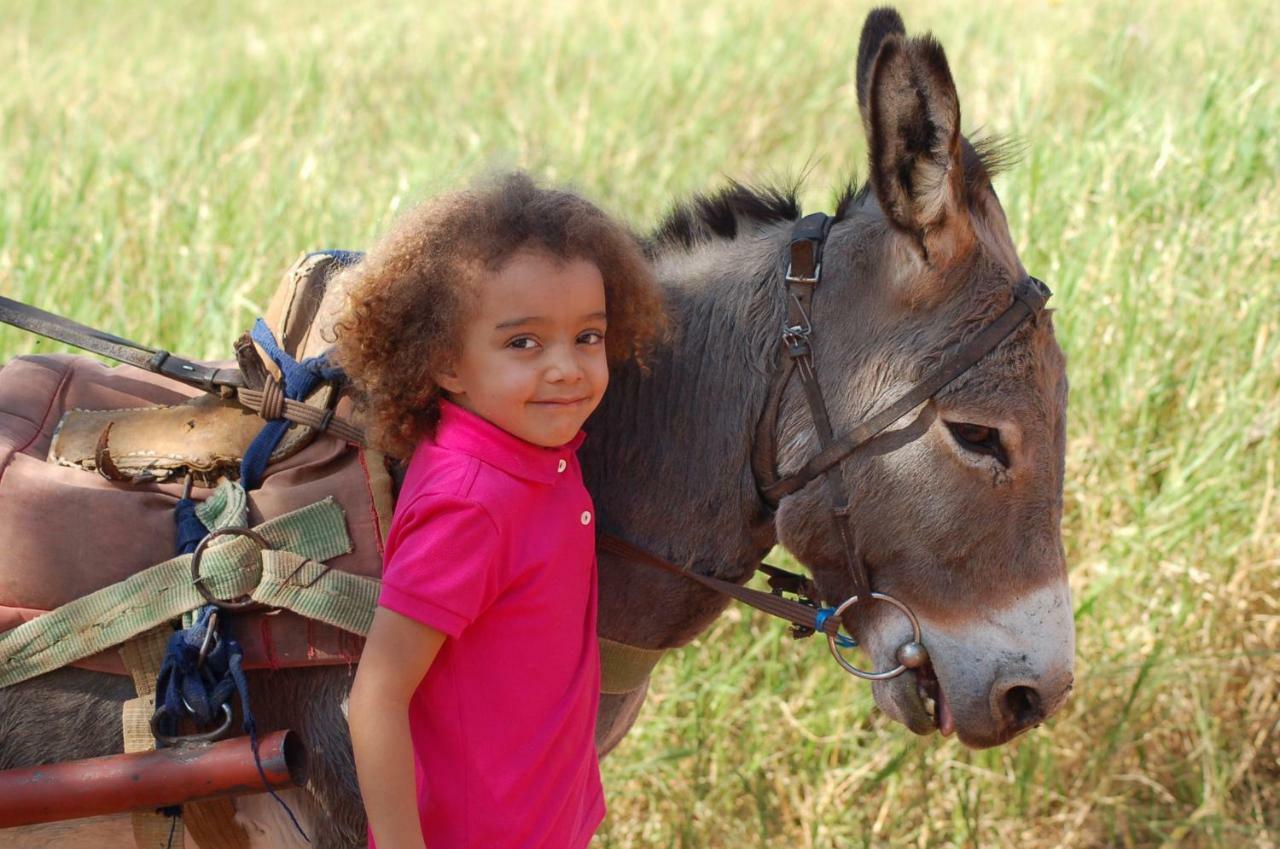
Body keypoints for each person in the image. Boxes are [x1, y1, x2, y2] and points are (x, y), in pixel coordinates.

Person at [335, 171, 666, 849]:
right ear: (448, 364)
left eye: (588, 336)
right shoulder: (470, 505)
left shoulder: (541, 447)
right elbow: (377, 693)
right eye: (524, 343)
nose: (567, 368)